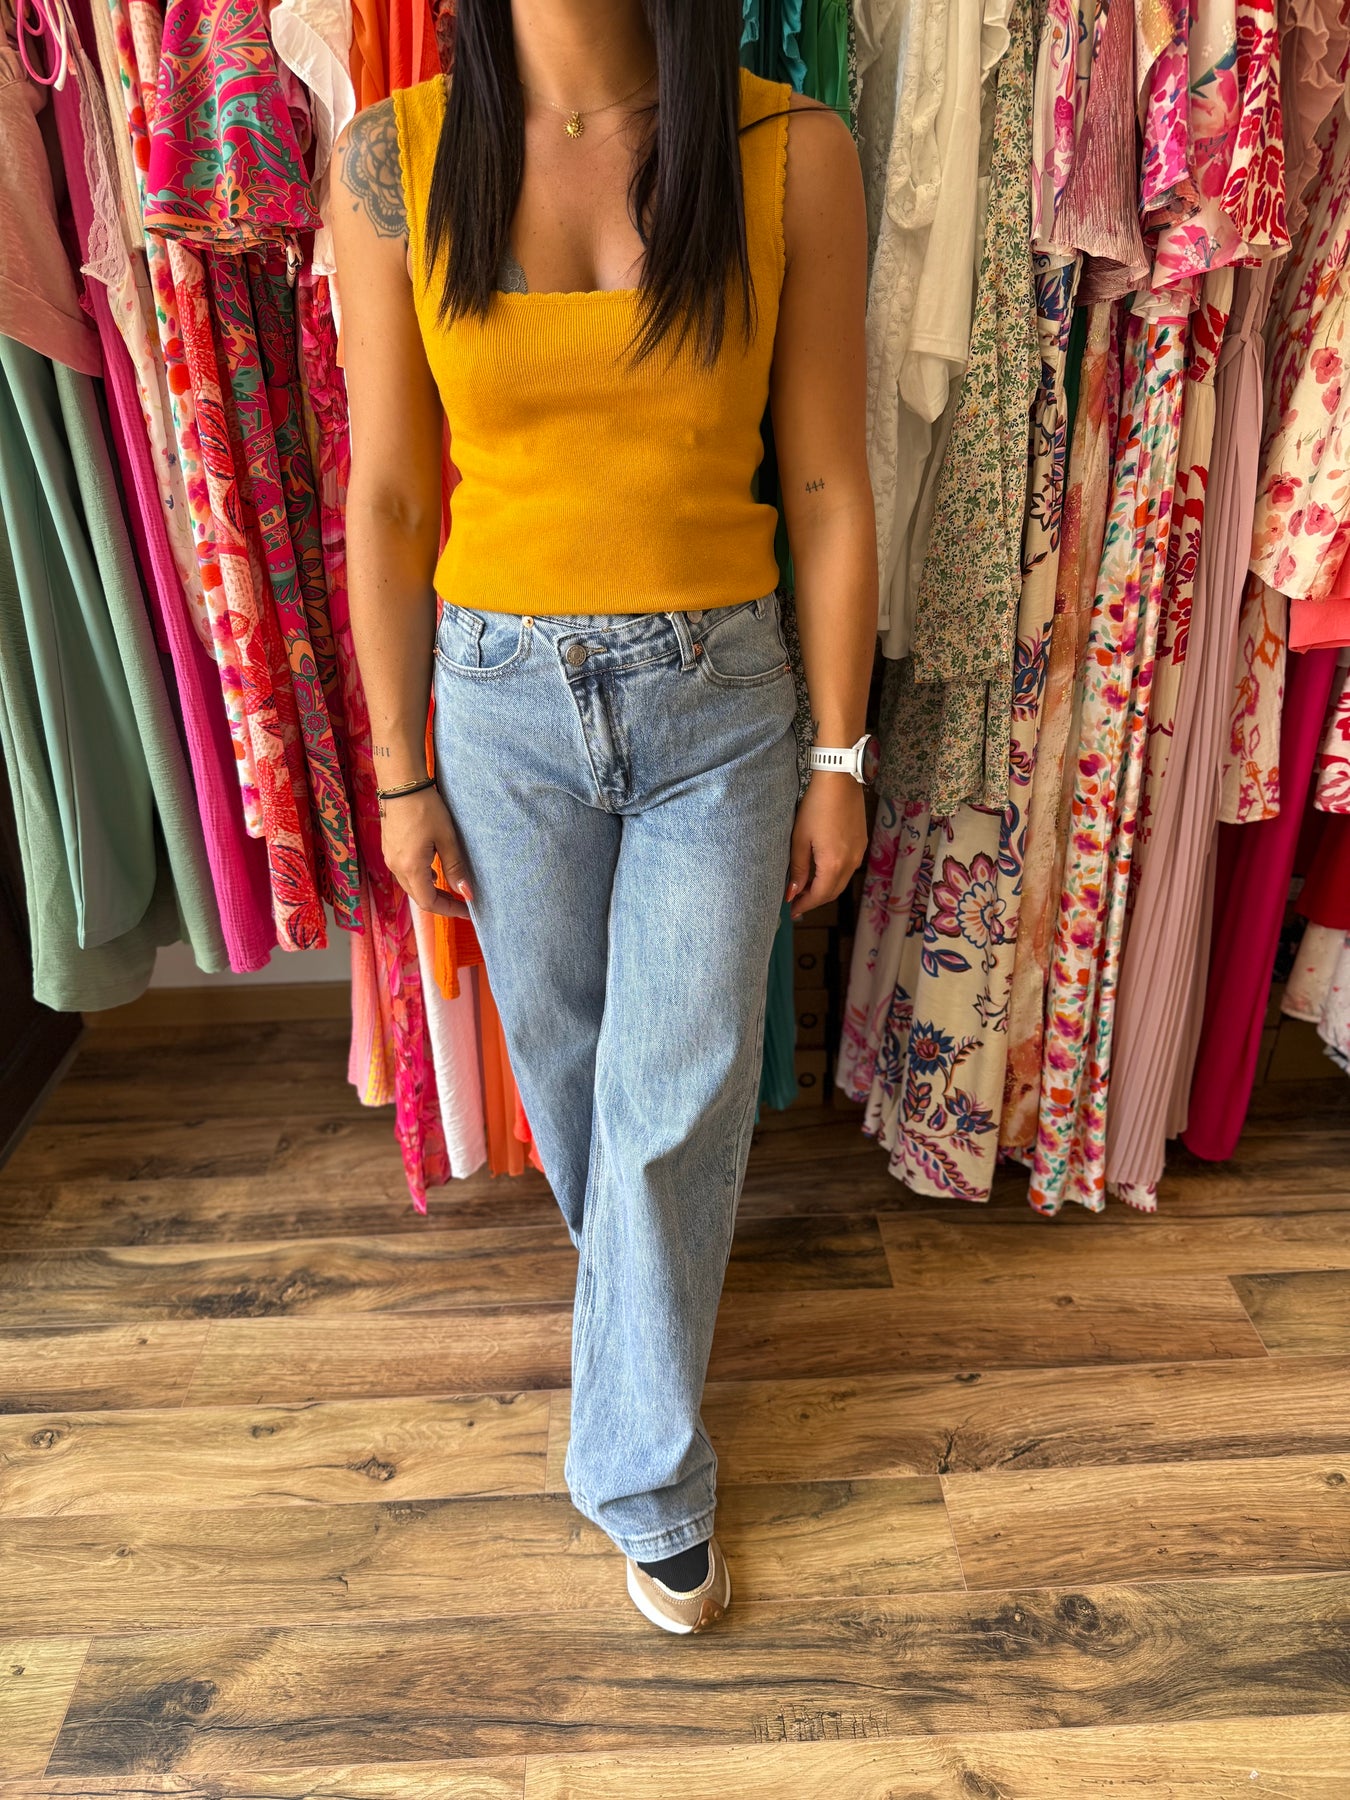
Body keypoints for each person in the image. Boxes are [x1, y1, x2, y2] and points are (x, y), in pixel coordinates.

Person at [331, 0, 876, 1634]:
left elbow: (827, 481)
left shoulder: (789, 152)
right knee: (573, 1081)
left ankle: (644, 1476)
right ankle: (649, 1318)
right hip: (497, 707)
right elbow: (388, 494)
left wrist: (840, 758)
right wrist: (399, 770)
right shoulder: (389, 160)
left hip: (722, 696)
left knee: (675, 1090)